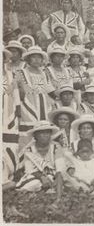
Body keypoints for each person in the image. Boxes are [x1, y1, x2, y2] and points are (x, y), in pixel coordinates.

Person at [16, 46, 56, 147]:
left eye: (39, 57)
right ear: (28, 59)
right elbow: (16, 89)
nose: (37, 60)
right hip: (28, 105)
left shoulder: (44, 73)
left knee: (44, 132)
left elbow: (50, 90)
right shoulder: (21, 72)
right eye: (33, 57)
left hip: (45, 106)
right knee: (29, 132)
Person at [16, 121, 65, 202]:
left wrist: (58, 196)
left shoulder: (56, 147)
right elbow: (30, 170)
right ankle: (42, 191)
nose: (45, 135)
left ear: (50, 134)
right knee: (34, 183)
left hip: (53, 175)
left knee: (59, 183)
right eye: (41, 133)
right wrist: (42, 177)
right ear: (35, 135)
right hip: (36, 176)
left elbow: (59, 169)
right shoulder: (29, 149)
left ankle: (48, 192)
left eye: (47, 132)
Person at [2, 49, 21, 191]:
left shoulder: (11, 75)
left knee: (10, 144)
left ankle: (8, 176)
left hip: (9, 115)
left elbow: (16, 94)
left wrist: (18, 109)